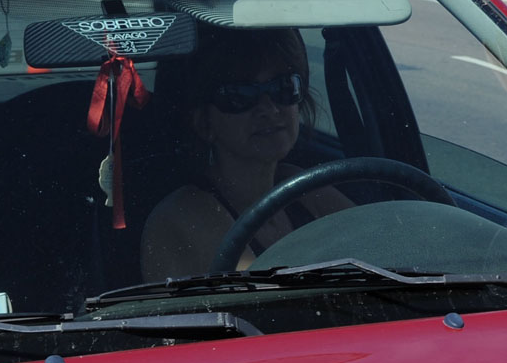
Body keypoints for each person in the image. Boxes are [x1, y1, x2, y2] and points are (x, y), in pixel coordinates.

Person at [141, 26, 350, 280]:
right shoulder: (185, 212)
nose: (269, 109)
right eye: (240, 95)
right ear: (204, 123)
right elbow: (271, 302)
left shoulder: (301, 186)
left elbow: (384, 241)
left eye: (283, 87)